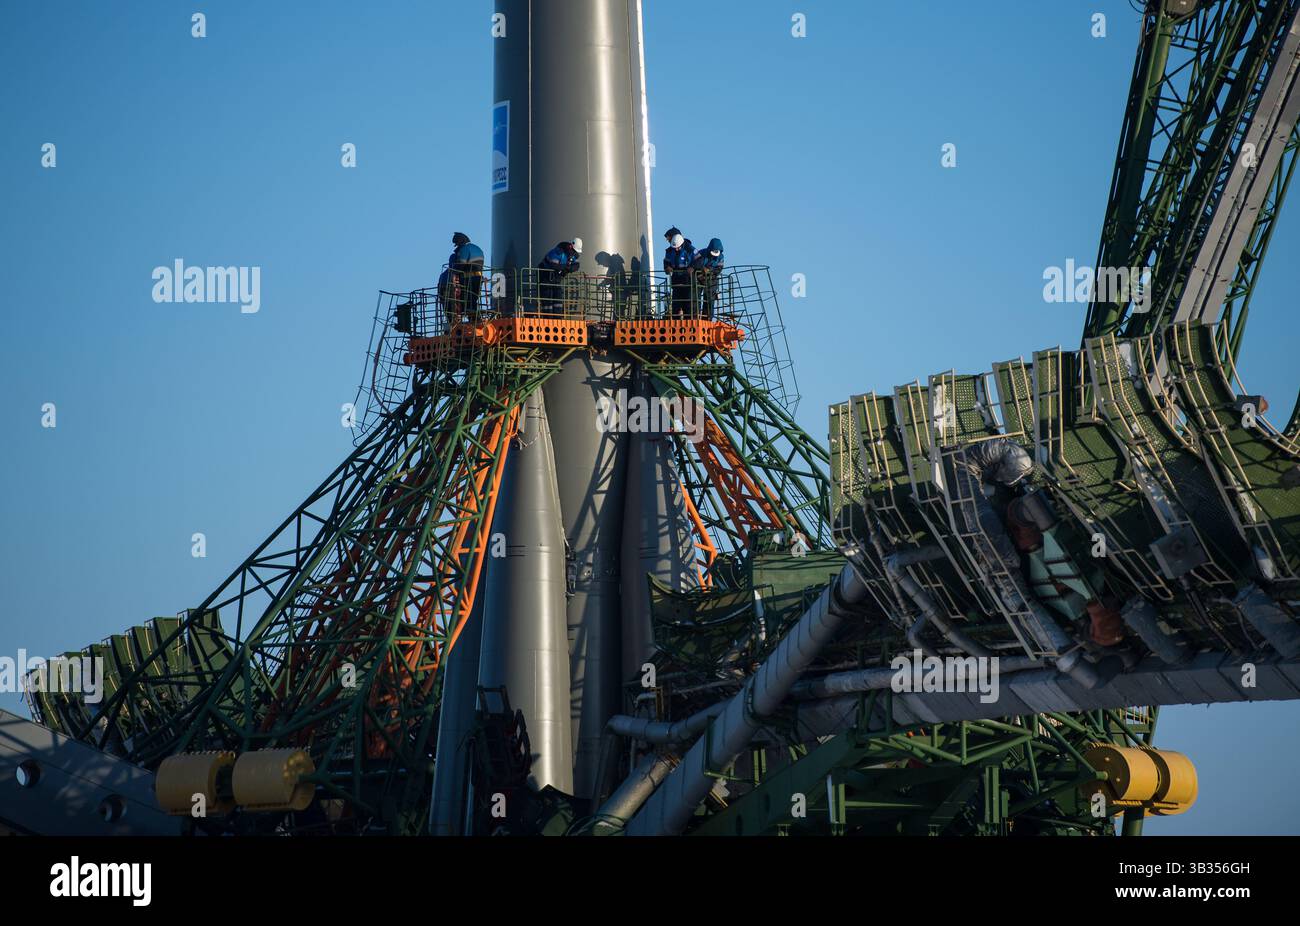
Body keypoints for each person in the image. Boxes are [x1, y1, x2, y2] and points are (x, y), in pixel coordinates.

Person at [536, 237, 582, 314]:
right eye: (574, 251)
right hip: (546, 276)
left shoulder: (571, 255)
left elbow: (576, 265)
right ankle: (548, 318)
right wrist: (566, 267)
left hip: (556, 278)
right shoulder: (558, 252)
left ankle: (557, 317)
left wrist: (569, 268)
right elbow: (553, 265)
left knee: (558, 296)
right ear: (570, 247)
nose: (574, 253)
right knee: (547, 297)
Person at [447, 232, 485, 321]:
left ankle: (473, 318)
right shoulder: (477, 249)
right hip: (478, 278)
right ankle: (476, 318)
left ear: (460, 242)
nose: (457, 246)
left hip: (468, 279)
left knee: (466, 300)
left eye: (457, 244)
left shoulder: (464, 249)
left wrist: (454, 271)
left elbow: (461, 263)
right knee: (474, 299)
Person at [662, 227, 695, 317]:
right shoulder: (670, 251)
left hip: (687, 282)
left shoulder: (689, 249)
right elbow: (666, 262)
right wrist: (667, 268)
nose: (676, 249)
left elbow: (698, 260)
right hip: (676, 282)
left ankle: (690, 323)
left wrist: (692, 267)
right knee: (676, 306)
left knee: (688, 306)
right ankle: (675, 323)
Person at [690, 237, 724, 319]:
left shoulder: (720, 257)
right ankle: (695, 317)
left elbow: (718, 270)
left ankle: (708, 318)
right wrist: (702, 269)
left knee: (710, 299)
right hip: (698, 278)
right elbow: (694, 264)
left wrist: (709, 270)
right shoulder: (701, 253)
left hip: (711, 280)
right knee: (695, 298)